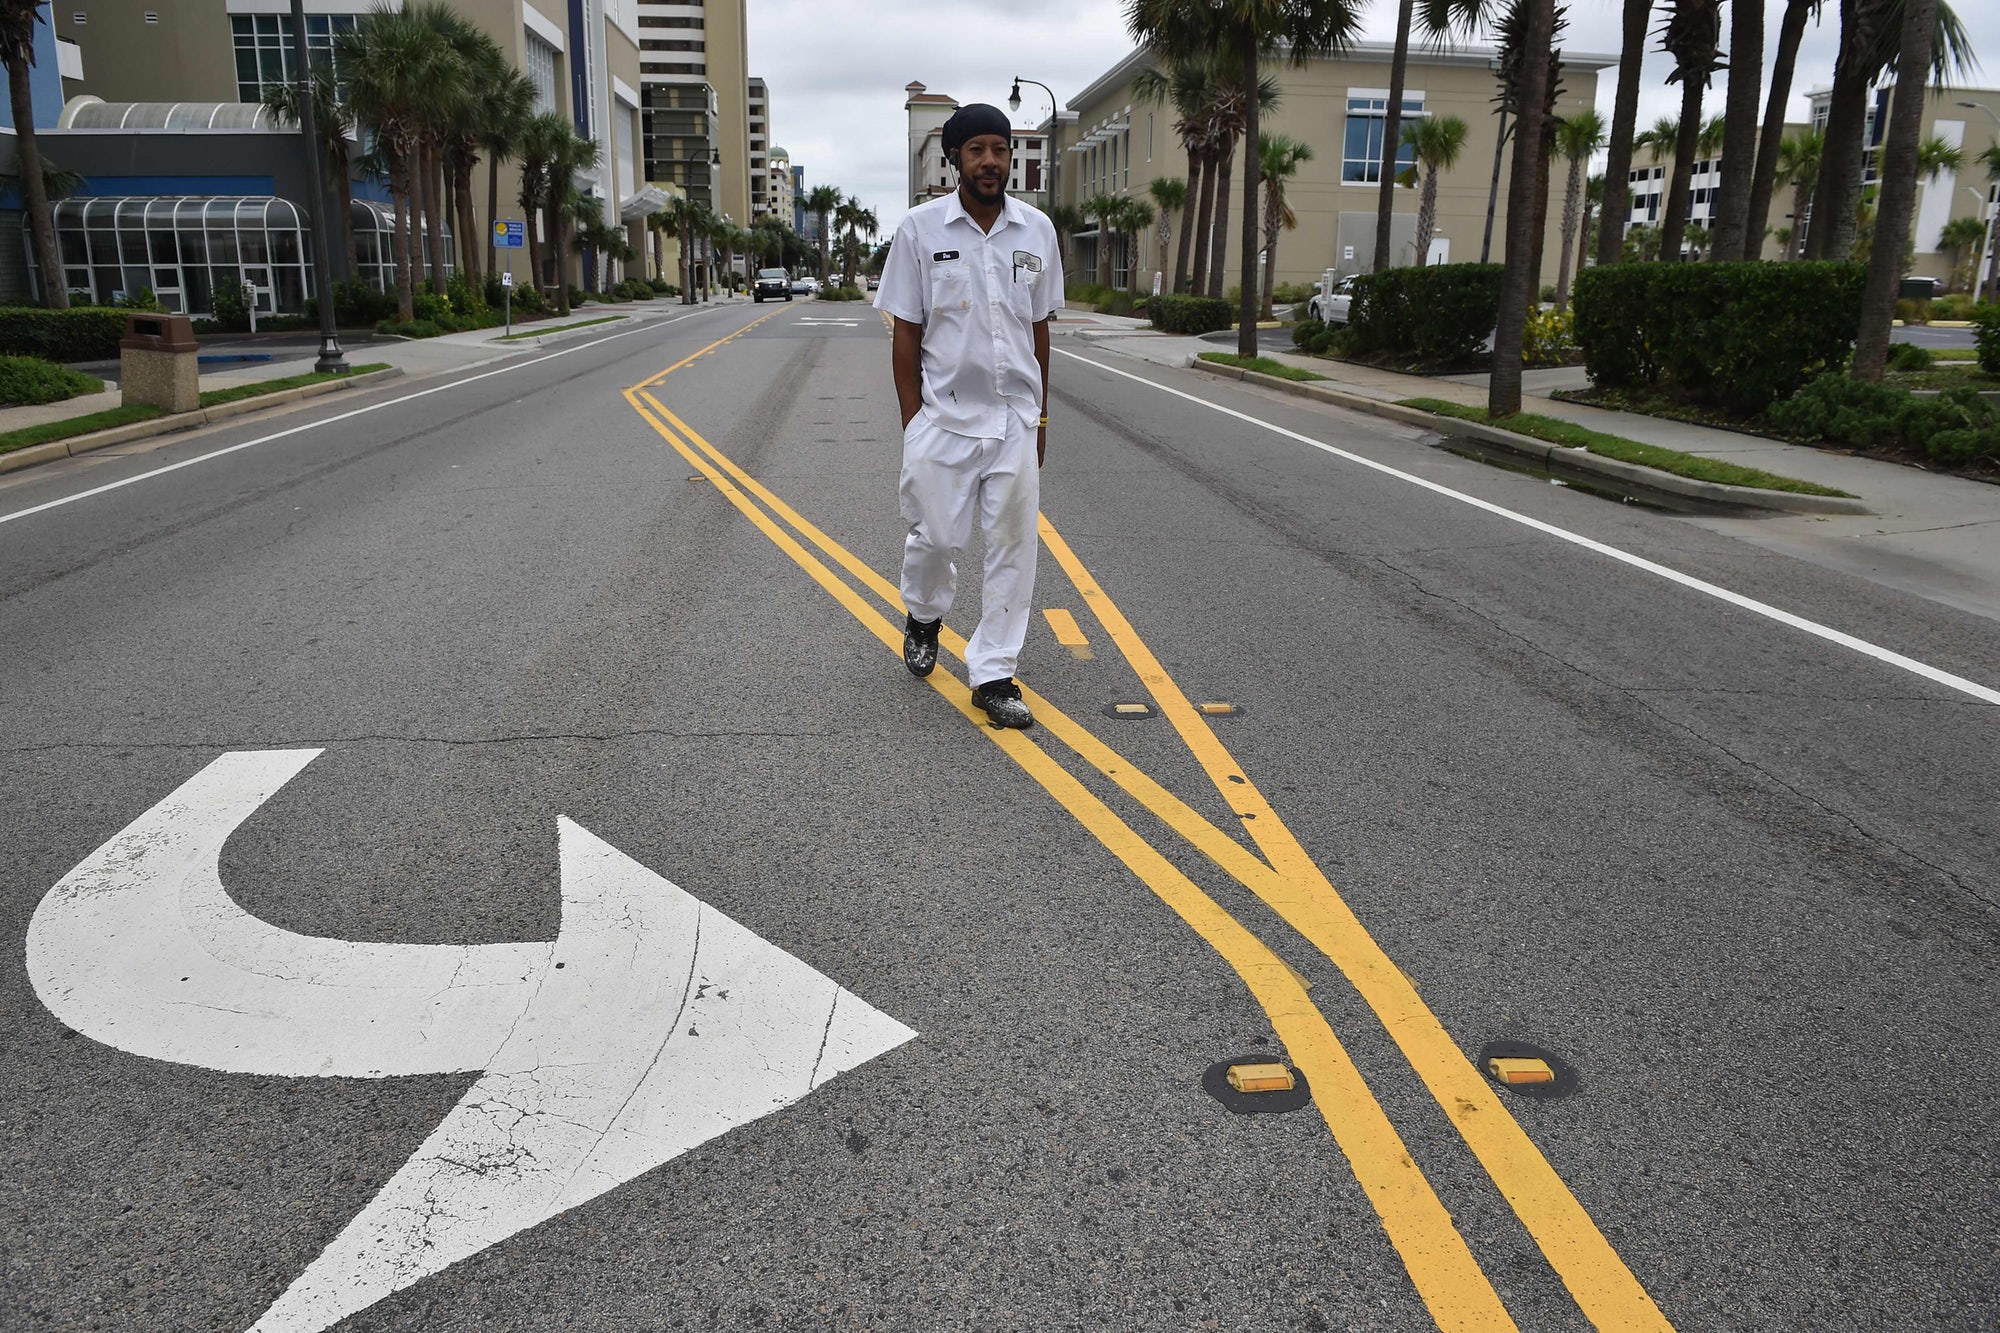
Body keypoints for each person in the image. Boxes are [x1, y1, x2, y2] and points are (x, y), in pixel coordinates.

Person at [874, 103, 1063, 730]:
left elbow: (1039, 330)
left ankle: (994, 672)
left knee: (1014, 546)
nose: (991, 161)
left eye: (1001, 149)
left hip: (1013, 420)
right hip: (944, 420)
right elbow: (906, 330)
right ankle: (924, 614)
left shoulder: (1037, 231)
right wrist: (913, 421)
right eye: (977, 149)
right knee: (937, 537)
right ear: (955, 157)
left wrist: (1040, 419)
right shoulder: (921, 230)